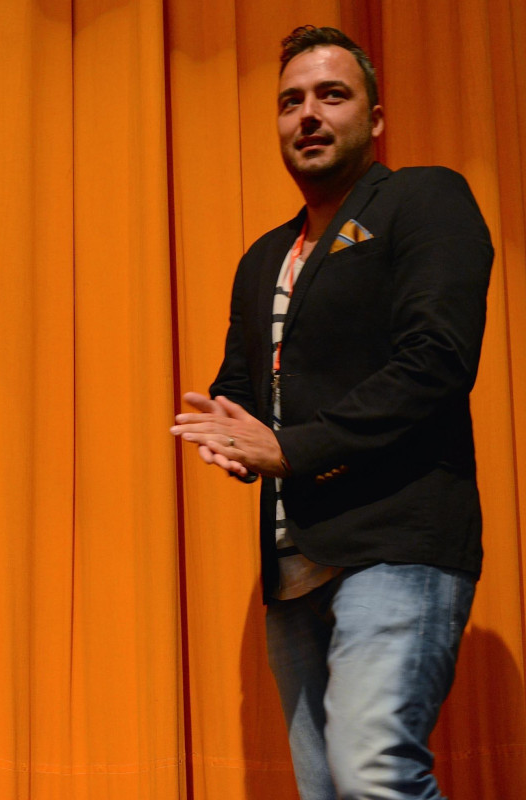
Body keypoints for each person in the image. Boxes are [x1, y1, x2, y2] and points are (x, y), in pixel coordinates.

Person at [170, 25, 492, 799]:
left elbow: (437, 360)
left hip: (396, 544)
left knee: (374, 775)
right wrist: (229, 428)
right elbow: (245, 384)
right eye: (291, 102)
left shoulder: (423, 199)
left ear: (375, 119)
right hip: (293, 567)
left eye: (331, 95)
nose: (308, 114)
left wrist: (292, 448)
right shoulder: (262, 258)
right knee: (329, 791)